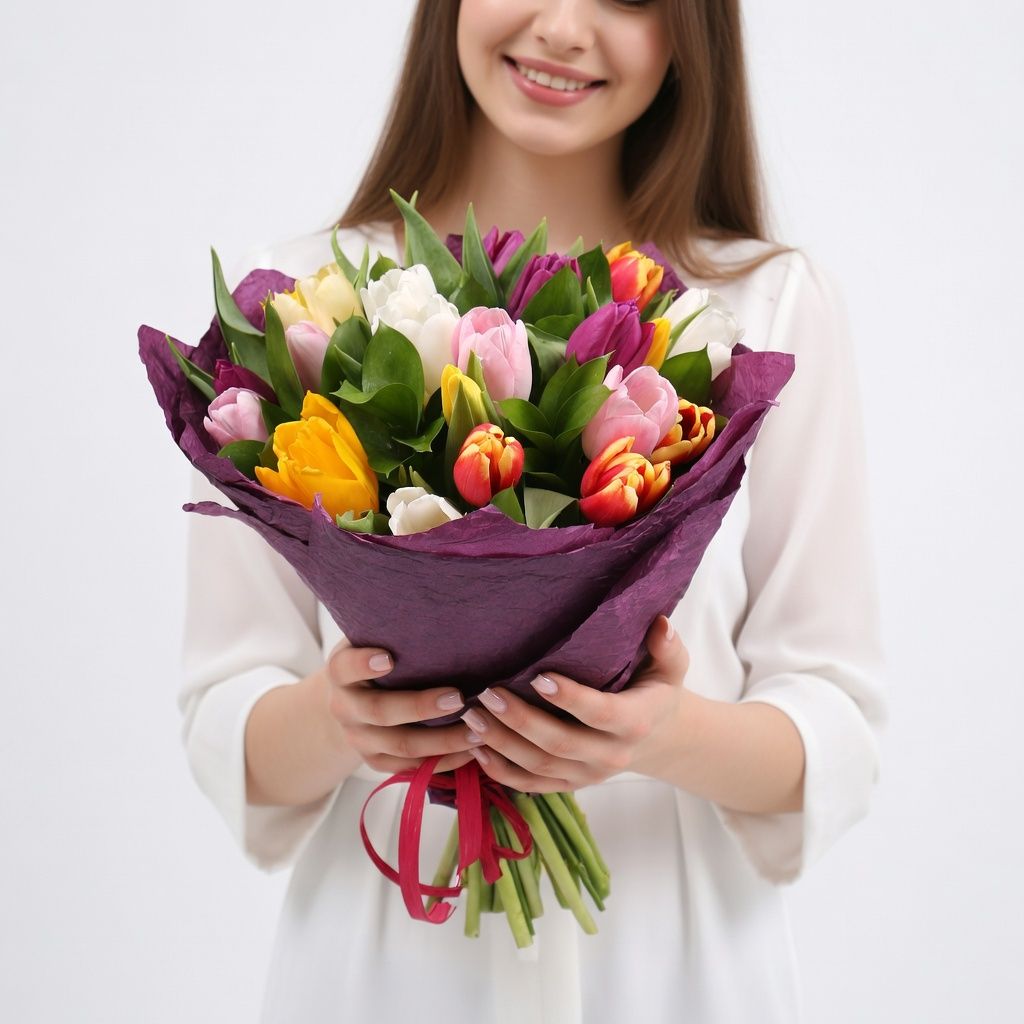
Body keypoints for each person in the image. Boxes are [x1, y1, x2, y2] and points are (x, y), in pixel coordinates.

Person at [182, 1, 887, 1021]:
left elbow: (837, 722)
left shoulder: (764, 307)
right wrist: (339, 718)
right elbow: (226, 716)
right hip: (387, 967)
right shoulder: (306, 305)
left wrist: (659, 734)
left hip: (670, 962)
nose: (562, 27)